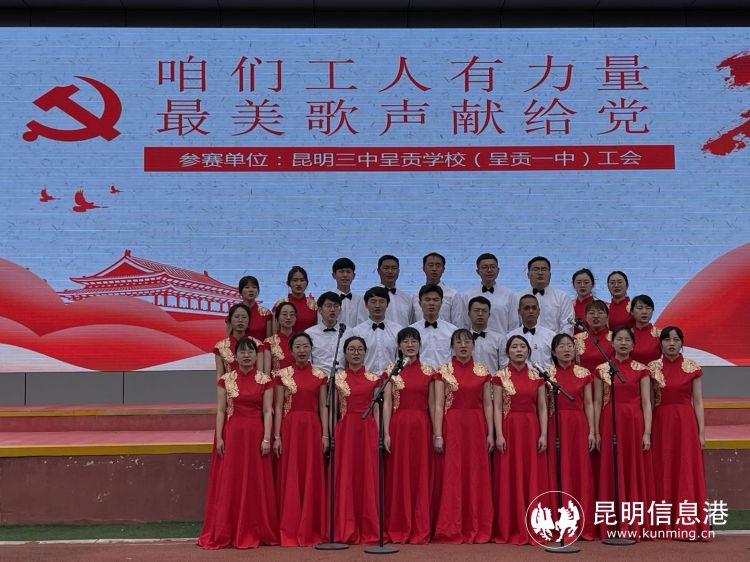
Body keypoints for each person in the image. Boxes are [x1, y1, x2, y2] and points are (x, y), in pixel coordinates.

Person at [199, 338, 278, 548]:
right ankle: (230, 528)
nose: (246, 356)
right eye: (242, 352)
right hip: (233, 434)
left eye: (250, 352)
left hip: (256, 435)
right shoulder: (225, 380)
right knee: (232, 479)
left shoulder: (265, 380)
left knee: (255, 480)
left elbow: (267, 411)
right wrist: (220, 437)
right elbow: (221, 410)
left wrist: (267, 438)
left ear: (256, 356)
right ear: (235, 356)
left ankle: (256, 528)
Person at [648, 326, 709, 541]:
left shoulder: (692, 367)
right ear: (661, 343)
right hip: (661, 422)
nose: (671, 344)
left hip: (686, 423)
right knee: (663, 468)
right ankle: (664, 524)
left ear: (682, 343)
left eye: (676, 340)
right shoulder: (652, 368)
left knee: (685, 469)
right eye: (667, 340)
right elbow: (648, 403)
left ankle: (687, 524)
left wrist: (701, 432)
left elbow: (698, 402)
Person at [432, 329, 493, 544]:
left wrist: (491, 433)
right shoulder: (443, 371)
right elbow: (438, 405)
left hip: (476, 426)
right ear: (452, 347)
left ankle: (477, 524)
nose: (463, 346)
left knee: (475, 474)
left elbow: (488, 404)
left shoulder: (483, 371)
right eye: (458, 342)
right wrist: (438, 434)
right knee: (453, 473)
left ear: (474, 346)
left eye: (467, 342)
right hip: (453, 425)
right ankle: (452, 526)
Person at [594, 327, 654, 540]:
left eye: (627, 340)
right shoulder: (602, 370)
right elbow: (597, 402)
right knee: (611, 468)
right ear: (612, 343)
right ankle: (611, 523)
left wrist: (647, 432)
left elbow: (646, 403)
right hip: (609, 421)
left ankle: (634, 522)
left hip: (634, 423)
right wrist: (596, 431)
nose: (623, 343)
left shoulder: (642, 369)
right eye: (619, 339)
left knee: (632, 468)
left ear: (633, 344)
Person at [491, 335, 549, 545]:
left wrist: (543, 434)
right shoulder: (500, 376)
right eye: (514, 347)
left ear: (528, 351)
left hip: (531, 428)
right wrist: (499, 434)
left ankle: (534, 524)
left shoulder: (537, 376)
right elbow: (497, 407)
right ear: (507, 352)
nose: (518, 350)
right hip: (509, 428)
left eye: (522, 347)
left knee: (531, 475)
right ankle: (510, 526)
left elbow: (542, 407)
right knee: (510, 475)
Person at [272, 332, 328, 546]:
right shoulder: (282, 375)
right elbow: (278, 407)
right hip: (290, 428)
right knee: (291, 474)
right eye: (298, 346)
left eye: (305, 346)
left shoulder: (320, 375)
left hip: (312, 428)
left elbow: (323, 406)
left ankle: (311, 526)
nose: (302, 350)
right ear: (291, 350)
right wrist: (277, 436)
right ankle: (290, 526)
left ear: (311, 349)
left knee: (311, 473)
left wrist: (325, 434)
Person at [381, 327, 436, 544]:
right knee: (399, 474)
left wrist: (436, 432)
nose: (410, 345)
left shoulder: (429, 372)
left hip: (421, 427)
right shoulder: (391, 371)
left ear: (420, 345)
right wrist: (386, 431)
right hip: (398, 426)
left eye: (414, 341)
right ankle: (398, 525)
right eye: (405, 341)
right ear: (399, 346)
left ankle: (420, 526)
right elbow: (386, 404)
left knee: (419, 473)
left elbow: (432, 404)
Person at [545, 333, 596, 541]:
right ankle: (557, 522)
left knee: (578, 469)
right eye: (562, 346)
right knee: (556, 469)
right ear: (553, 351)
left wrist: (592, 431)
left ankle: (581, 522)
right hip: (555, 424)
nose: (566, 349)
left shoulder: (584, 373)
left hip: (578, 424)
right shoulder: (547, 374)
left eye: (570, 346)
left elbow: (589, 404)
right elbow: (542, 406)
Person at [333, 336, 381, 544]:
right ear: (344, 353)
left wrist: (380, 432)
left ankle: (369, 526)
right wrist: (331, 433)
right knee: (346, 476)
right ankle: (346, 526)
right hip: (345, 430)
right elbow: (334, 411)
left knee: (367, 475)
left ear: (365, 353)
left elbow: (377, 409)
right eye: (351, 349)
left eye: (359, 349)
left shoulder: (374, 379)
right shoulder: (337, 379)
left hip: (367, 429)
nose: (355, 353)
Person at [460, 253, 518, 336]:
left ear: (498, 270)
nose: (489, 270)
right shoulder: (467, 296)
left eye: (493, 267)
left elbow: (514, 325)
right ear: (477, 271)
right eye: (485, 267)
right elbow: (464, 324)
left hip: (502, 342)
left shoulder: (509, 295)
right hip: (474, 341)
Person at [517, 256, 574, 335]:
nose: (540, 273)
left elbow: (567, 326)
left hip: (554, 341)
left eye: (544, 269)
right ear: (528, 274)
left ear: (550, 275)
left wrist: (559, 342)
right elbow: (514, 324)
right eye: (536, 269)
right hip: (523, 341)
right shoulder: (518, 297)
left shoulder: (562, 297)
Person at [352, 286, 401, 373]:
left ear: (387, 304)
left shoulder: (397, 330)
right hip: (365, 379)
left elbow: (400, 358)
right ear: (366, 305)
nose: (377, 306)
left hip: (391, 378)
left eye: (381, 301)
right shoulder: (357, 331)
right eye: (373, 302)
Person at [409, 284, 457, 369]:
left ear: (441, 303)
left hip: (445, 376)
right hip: (418, 376)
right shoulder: (410, 331)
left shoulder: (453, 331)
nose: (431, 303)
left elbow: (456, 358)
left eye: (436, 300)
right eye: (427, 300)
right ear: (420, 303)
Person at [305, 292, 353, 374]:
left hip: (342, 379)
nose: (332, 309)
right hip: (318, 379)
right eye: (328, 306)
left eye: (336, 306)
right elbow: (308, 362)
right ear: (320, 310)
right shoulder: (309, 333)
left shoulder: (348, 332)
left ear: (340, 310)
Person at [214, 303, 267, 378]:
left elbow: (260, 373)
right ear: (230, 321)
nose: (240, 320)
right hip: (230, 384)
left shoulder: (257, 344)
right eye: (236, 317)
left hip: (254, 384)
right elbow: (220, 375)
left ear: (249, 322)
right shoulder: (220, 346)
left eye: (244, 317)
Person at [411, 252, 463, 325]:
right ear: (423, 268)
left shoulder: (453, 295)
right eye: (430, 265)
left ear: (443, 269)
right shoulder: (415, 296)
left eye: (438, 266)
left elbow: (458, 324)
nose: (434, 269)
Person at [506, 294, 556, 368]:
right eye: (526, 308)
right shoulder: (509, 337)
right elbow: (506, 363)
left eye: (534, 308)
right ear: (519, 311)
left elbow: (556, 364)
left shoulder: (551, 336)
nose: (531, 311)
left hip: (546, 375)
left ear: (539, 311)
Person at [468, 296, 506, 371]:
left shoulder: (499, 339)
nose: (480, 314)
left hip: (492, 378)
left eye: (484, 311)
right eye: (476, 310)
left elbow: (504, 366)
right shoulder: (461, 340)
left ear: (489, 315)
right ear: (469, 314)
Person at [275, 266, 318, 332]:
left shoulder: (314, 305)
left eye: (302, 280)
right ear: (288, 283)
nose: (298, 284)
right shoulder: (280, 304)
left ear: (307, 283)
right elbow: (275, 333)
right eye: (295, 280)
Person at [574, 300, 613, 373]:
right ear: (585, 317)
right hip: (583, 379)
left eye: (600, 313)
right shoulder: (577, 339)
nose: (595, 316)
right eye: (591, 313)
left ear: (607, 317)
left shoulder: (615, 338)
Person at [331, 257, 368, 329]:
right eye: (341, 271)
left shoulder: (360, 300)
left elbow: (364, 324)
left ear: (354, 275)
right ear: (334, 275)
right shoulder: (327, 300)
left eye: (348, 272)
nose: (345, 275)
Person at [377, 255, 414, 327]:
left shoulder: (407, 298)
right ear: (378, 271)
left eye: (394, 268)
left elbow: (411, 324)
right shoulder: (369, 297)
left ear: (398, 271)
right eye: (386, 268)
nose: (390, 271)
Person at [238, 275, 273, 340]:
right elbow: (230, 338)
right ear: (240, 292)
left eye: (254, 287)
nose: (251, 290)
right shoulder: (234, 312)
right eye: (247, 287)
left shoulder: (265, 312)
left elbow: (268, 340)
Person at [265, 301, 296, 373]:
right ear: (277, 318)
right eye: (284, 314)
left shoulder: (302, 340)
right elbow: (266, 373)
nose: (288, 317)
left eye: (292, 314)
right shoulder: (269, 342)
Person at [631, 294, 661, 365]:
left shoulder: (660, 334)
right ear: (632, 312)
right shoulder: (626, 334)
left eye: (648, 308)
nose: (644, 312)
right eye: (640, 308)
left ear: (653, 311)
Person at [571, 268, 596, 334]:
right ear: (573, 285)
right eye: (578, 282)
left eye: (586, 282)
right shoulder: (568, 306)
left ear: (593, 285)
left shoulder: (602, 306)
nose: (582, 285)